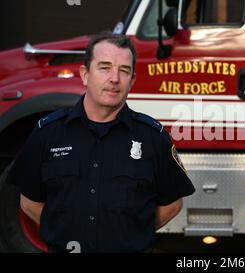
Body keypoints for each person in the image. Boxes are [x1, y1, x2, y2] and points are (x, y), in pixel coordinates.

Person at [6, 31, 195, 253]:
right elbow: (29, 202)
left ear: (132, 81)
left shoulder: (153, 137)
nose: (114, 78)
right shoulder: (48, 133)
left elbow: (173, 203)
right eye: (105, 67)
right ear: (85, 74)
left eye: (124, 71)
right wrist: (63, 235)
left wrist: (134, 234)